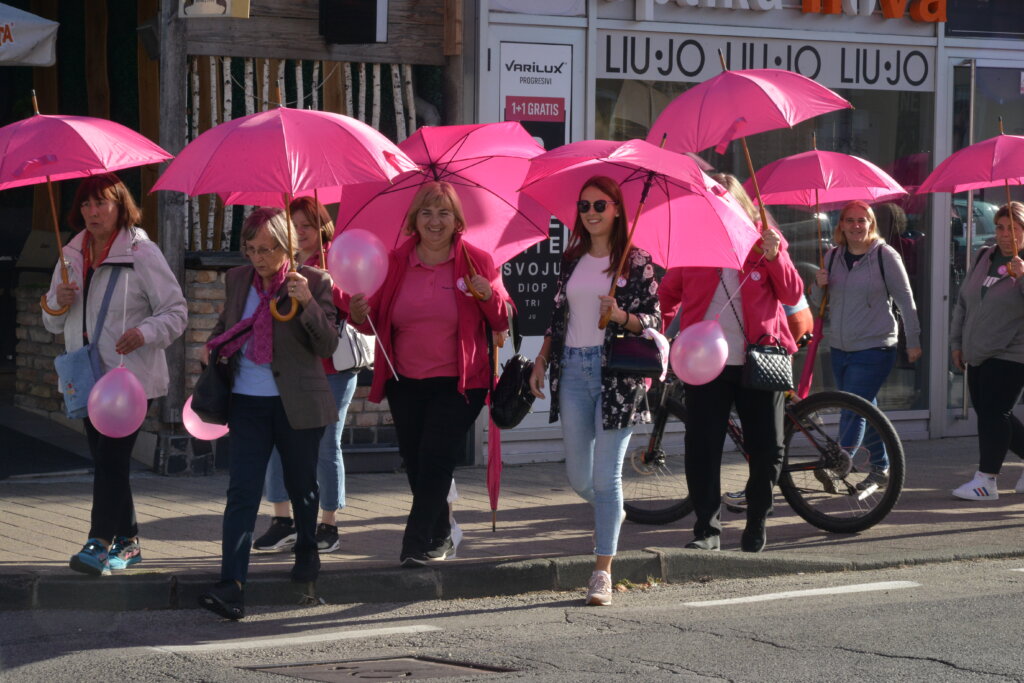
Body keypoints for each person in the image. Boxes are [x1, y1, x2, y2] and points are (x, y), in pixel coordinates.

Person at [349, 181, 509, 568]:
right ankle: (440, 534)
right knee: (417, 461)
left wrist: (489, 295)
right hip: (405, 380)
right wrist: (357, 313)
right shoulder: (394, 262)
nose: (435, 221)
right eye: (426, 213)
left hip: (461, 382)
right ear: (413, 220)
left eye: (444, 213)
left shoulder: (477, 261)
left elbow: (503, 318)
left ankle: (413, 544)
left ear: (457, 221)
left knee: (436, 458)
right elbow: (374, 322)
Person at [42, 173, 187, 576]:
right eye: (86, 204)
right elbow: (52, 323)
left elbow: (177, 312)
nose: (92, 211)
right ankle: (130, 542)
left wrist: (144, 333)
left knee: (110, 459)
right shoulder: (69, 253)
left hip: (129, 381)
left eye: (101, 202)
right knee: (107, 461)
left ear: (121, 206)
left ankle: (98, 542)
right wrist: (58, 301)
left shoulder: (142, 252)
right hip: (86, 377)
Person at [198, 207, 338, 620]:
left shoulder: (314, 281)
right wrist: (211, 345)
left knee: (302, 487)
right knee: (242, 491)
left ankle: (308, 552)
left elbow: (328, 345)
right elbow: (227, 325)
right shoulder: (237, 279)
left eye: (267, 249)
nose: (257, 258)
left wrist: (307, 302)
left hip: (297, 403)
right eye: (251, 249)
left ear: (286, 247)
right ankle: (232, 583)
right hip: (246, 401)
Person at [528, 176, 661, 606]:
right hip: (573, 370)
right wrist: (542, 360)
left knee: (606, 478)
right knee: (579, 477)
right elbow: (555, 318)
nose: (590, 212)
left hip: (617, 378)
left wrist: (622, 315)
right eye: (584, 206)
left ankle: (602, 570)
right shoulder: (572, 259)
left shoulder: (635, 261)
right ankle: (612, 511)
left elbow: (655, 321)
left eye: (600, 205)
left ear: (618, 209)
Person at [660, 172, 803, 553]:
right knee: (702, 445)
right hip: (705, 364)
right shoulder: (693, 243)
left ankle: (756, 520)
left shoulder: (764, 237)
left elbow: (791, 292)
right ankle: (706, 529)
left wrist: (774, 256)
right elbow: (667, 294)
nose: (717, 204)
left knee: (768, 448)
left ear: (739, 201)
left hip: (760, 358)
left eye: (723, 197)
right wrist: (654, 335)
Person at [252, 197, 360, 555]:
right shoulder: (281, 263)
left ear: (322, 228)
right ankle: (283, 520)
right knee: (277, 445)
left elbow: (352, 310)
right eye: (293, 226)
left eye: (307, 226)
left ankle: (328, 523)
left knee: (327, 446)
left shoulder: (337, 260)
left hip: (333, 370)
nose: (301, 233)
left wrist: (327, 284)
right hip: (293, 372)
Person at [809, 200, 922, 490]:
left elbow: (905, 300)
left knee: (853, 407)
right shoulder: (832, 257)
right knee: (866, 407)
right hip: (840, 346)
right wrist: (818, 285)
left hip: (876, 346)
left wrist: (914, 340)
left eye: (863, 220)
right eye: (850, 221)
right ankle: (881, 467)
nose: (857, 226)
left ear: (871, 224)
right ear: (841, 226)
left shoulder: (885, 255)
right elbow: (815, 302)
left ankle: (839, 459)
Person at [949, 201, 1024, 501]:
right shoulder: (984, 256)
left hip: (1012, 353)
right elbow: (964, 302)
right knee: (994, 414)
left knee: (993, 415)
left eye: (1014, 229)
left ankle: (986, 481)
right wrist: (956, 343)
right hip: (977, 351)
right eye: (1000, 227)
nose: (1006, 235)